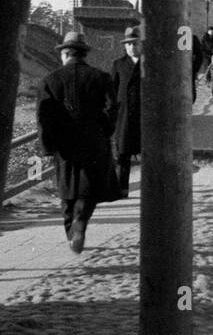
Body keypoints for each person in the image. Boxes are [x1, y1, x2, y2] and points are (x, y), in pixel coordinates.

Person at [36, 31, 117, 254]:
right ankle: (80, 224)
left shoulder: (50, 80)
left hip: (63, 144)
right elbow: (112, 108)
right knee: (88, 189)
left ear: (64, 54)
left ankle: (71, 229)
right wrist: (105, 131)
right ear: (83, 54)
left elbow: (43, 117)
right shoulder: (100, 77)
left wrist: (47, 146)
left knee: (66, 189)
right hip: (93, 141)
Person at [110, 26, 142, 198]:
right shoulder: (118, 65)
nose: (131, 47)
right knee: (123, 155)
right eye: (128, 44)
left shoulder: (149, 64)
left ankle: (154, 190)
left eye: (135, 43)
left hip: (144, 117)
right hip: (124, 117)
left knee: (150, 154)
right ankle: (122, 190)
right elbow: (112, 93)